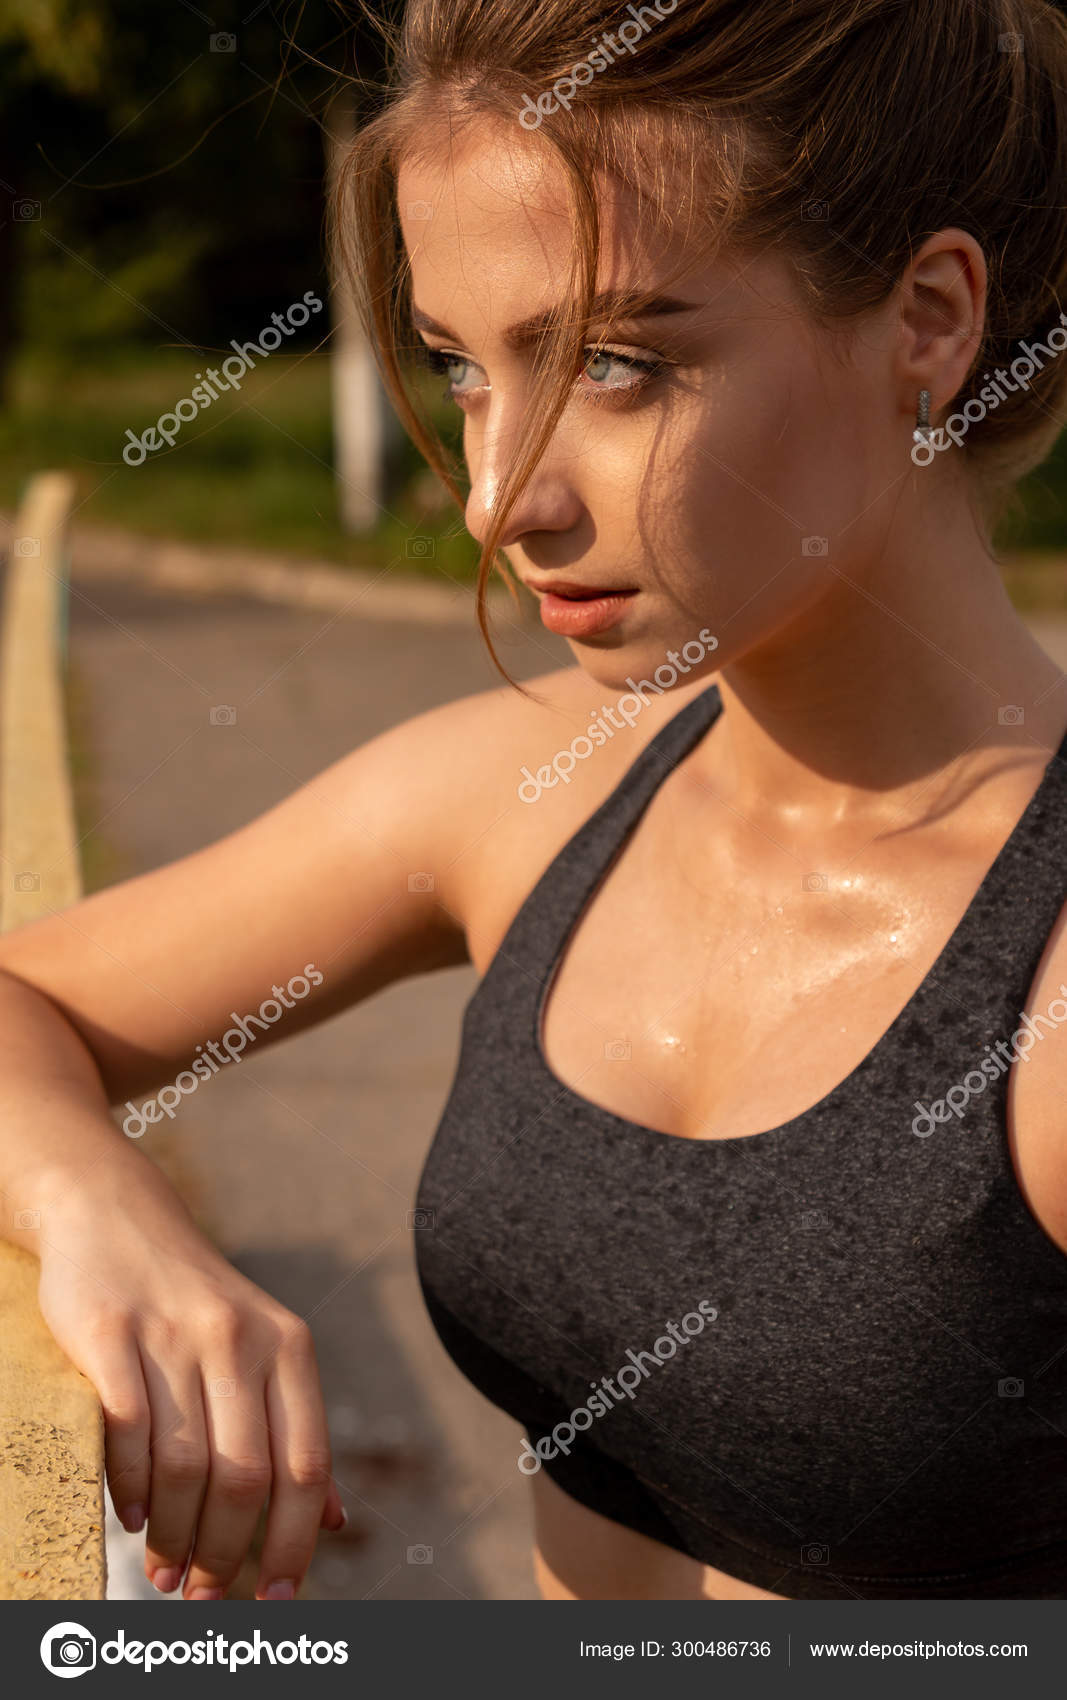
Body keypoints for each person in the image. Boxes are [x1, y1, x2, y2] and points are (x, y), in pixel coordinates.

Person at [5, 0, 1067, 1602]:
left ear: (927, 316)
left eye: (621, 365)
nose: (502, 498)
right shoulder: (529, 790)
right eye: (461, 368)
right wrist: (112, 1221)